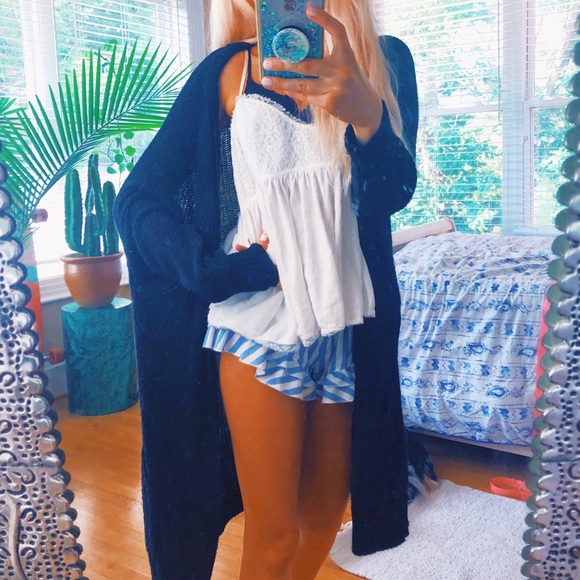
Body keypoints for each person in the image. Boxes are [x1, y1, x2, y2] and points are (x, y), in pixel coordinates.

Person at [114, 1, 418, 578]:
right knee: (275, 538)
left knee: (323, 522)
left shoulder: (385, 64)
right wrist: (220, 272)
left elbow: (391, 196)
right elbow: (138, 202)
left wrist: (366, 116)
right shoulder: (229, 71)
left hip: (344, 326)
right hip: (261, 330)